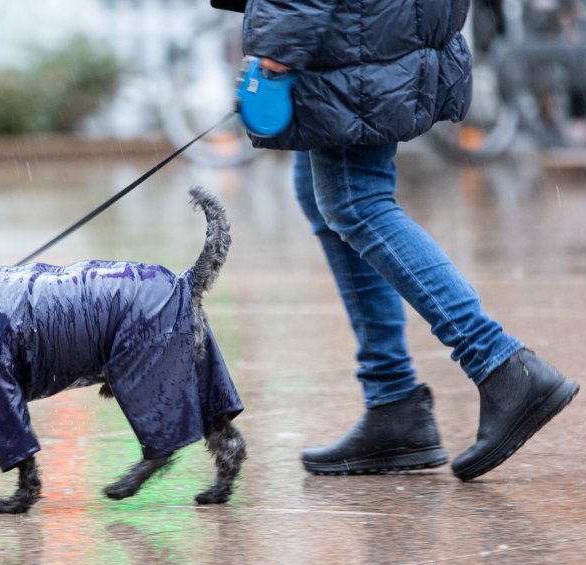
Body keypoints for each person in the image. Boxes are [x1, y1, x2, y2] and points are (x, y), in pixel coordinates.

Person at [211, 0, 579, 480]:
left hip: (356, 34)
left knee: (355, 200)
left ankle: (502, 366)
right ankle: (394, 404)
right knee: (321, 189)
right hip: (376, 26)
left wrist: (275, 53)